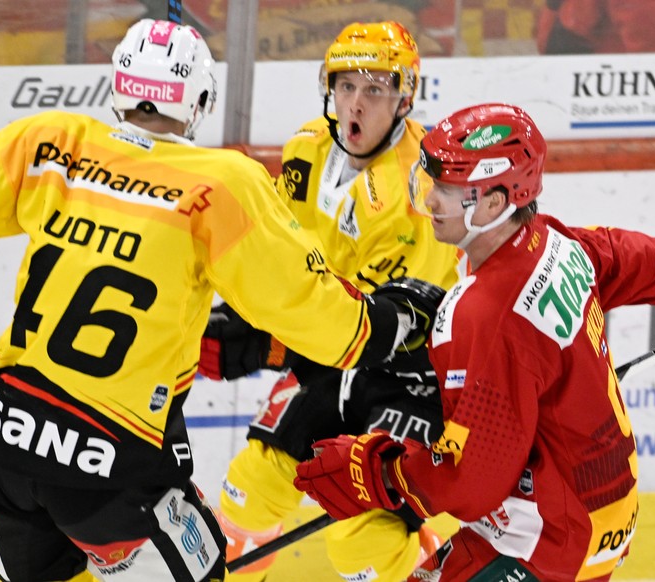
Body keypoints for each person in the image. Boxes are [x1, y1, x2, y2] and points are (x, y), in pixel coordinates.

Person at [0, 19, 441, 582]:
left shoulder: (51, 142)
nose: (356, 103)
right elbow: (328, 324)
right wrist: (389, 320)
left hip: (5, 448)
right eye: (346, 86)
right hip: (111, 466)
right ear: (202, 101)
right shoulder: (222, 186)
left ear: (120, 86)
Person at [293, 102, 655, 580]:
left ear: (494, 203)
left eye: (448, 190)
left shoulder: (481, 313)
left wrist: (379, 473)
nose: (430, 200)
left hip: (548, 538)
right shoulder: (550, 241)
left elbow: (473, 480)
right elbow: (631, 257)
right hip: (604, 513)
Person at [198, 21, 460, 582]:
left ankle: (439, 566)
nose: (356, 105)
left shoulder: (419, 185)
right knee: (247, 496)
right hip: (332, 354)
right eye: (346, 87)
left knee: (360, 542)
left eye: (374, 90)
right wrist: (243, 313)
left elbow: (375, 322)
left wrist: (270, 344)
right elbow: (283, 251)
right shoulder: (307, 149)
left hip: (406, 372)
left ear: (405, 97)